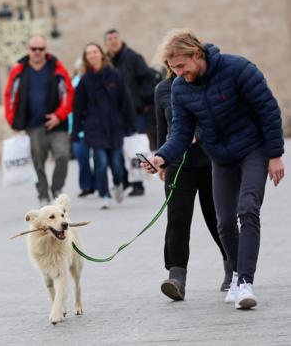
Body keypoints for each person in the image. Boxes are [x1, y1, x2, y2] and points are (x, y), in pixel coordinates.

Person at [145, 29, 285, 310]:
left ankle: (244, 281)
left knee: (247, 208)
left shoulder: (238, 69)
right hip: (220, 157)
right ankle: (235, 274)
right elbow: (181, 133)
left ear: (196, 54)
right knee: (223, 222)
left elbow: (267, 109)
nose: (179, 73)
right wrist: (162, 157)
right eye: (173, 69)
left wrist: (275, 155)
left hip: (253, 150)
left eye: (181, 66)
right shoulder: (180, 88)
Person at [155, 71, 231, 301]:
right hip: (178, 164)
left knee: (217, 218)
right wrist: (162, 159)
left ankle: (233, 267)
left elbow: (217, 119)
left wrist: (195, 134)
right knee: (177, 219)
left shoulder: (208, 84)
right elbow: (163, 128)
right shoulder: (163, 89)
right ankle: (176, 277)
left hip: (211, 162)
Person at [4, 35, 74, 205]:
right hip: (32, 126)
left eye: (41, 49)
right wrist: (13, 122)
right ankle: (43, 194)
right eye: (33, 49)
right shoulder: (19, 71)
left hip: (57, 124)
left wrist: (59, 115)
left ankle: (57, 188)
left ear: (45, 50)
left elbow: (68, 93)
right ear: (28, 50)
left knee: (63, 155)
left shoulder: (57, 68)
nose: (37, 52)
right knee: (37, 163)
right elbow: (9, 96)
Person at [72, 43, 136, 209]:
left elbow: (125, 100)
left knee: (116, 164)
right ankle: (105, 194)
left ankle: (119, 184)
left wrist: (132, 123)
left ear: (101, 54)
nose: (92, 55)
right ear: (86, 58)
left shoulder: (114, 75)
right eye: (88, 53)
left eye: (94, 52)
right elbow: (78, 108)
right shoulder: (84, 80)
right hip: (94, 129)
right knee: (100, 164)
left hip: (115, 127)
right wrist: (75, 131)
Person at [105, 29, 157, 196]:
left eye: (115, 38)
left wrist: (141, 102)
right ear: (106, 42)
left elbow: (148, 80)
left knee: (137, 147)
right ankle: (125, 181)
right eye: (110, 39)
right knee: (119, 147)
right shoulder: (106, 61)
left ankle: (138, 184)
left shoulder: (134, 58)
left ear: (120, 39)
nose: (113, 41)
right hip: (115, 113)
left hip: (135, 111)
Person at [69, 57, 96, 197]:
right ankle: (86, 185)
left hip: (92, 125)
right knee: (81, 156)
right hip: (76, 126)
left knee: (98, 157)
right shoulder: (72, 83)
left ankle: (97, 183)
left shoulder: (93, 80)